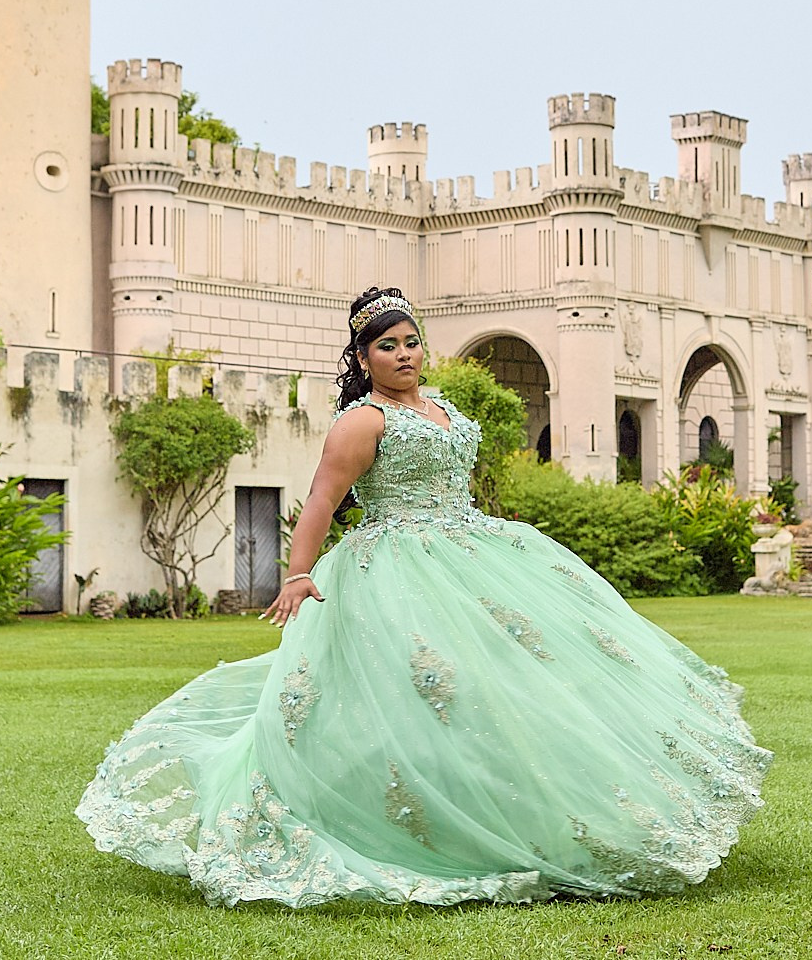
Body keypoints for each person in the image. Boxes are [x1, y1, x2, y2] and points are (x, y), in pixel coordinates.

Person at [76, 286, 769, 907]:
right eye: (388, 345)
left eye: (411, 342)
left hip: (473, 553)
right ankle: (409, 824)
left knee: (519, 683)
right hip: (394, 565)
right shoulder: (361, 421)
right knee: (425, 691)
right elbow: (322, 497)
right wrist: (297, 572)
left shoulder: (445, 407)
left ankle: (536, 815)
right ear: (363, 355)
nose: (404, 354)